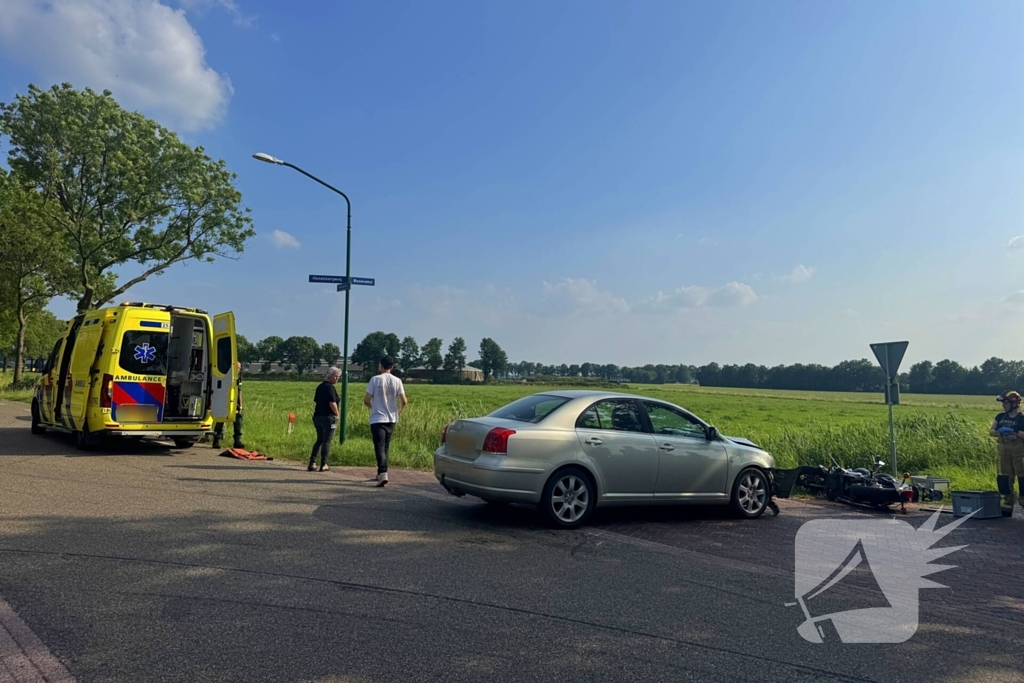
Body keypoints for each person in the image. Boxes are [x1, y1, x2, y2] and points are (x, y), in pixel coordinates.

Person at [363, 355, 407, 486]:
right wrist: (398, 412)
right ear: (392, 367)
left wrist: (373, 407)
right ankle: (381, 472)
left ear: (380, 366)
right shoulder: (397, 380)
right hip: (391, 418)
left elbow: (366, 400)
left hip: (378, 418)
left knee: (379, 446)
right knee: (386, 446)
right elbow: (404, 401)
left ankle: (383, 472)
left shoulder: (375, 380)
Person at [990, 390, 1024, 516]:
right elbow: (992, 431)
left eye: (1005, 402)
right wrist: (1000, 432)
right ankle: (1006, 507)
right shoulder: (1000, 417)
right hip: (1003, 454)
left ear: (1014, 404)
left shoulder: (1022, 419)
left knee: (1023, 480)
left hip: (1020, 456)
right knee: (1004, 480)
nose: (1003, 405)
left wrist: (1014, 431)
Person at [310, 367, 342, 472]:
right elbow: (332, 402)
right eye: (336, 376)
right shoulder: (330, 388)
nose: (337, 379)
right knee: (327, 441)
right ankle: (324, 463)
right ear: (330, 376)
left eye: (338, 377)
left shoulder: (320, 387)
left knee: (319, 439)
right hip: (328, 417)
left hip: (317, 416)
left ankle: (312, 462)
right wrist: (337, 414)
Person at [212, 361, 244, 450]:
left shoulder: (238, 378)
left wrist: (241, 405)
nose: (238, 370)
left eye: (239, 368)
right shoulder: (224, 376)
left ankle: (237, 441)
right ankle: (216, 440)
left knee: (238, 421)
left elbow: (239, 391)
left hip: (235, 402)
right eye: (237, 368)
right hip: (224, 400)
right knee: (221, 420)